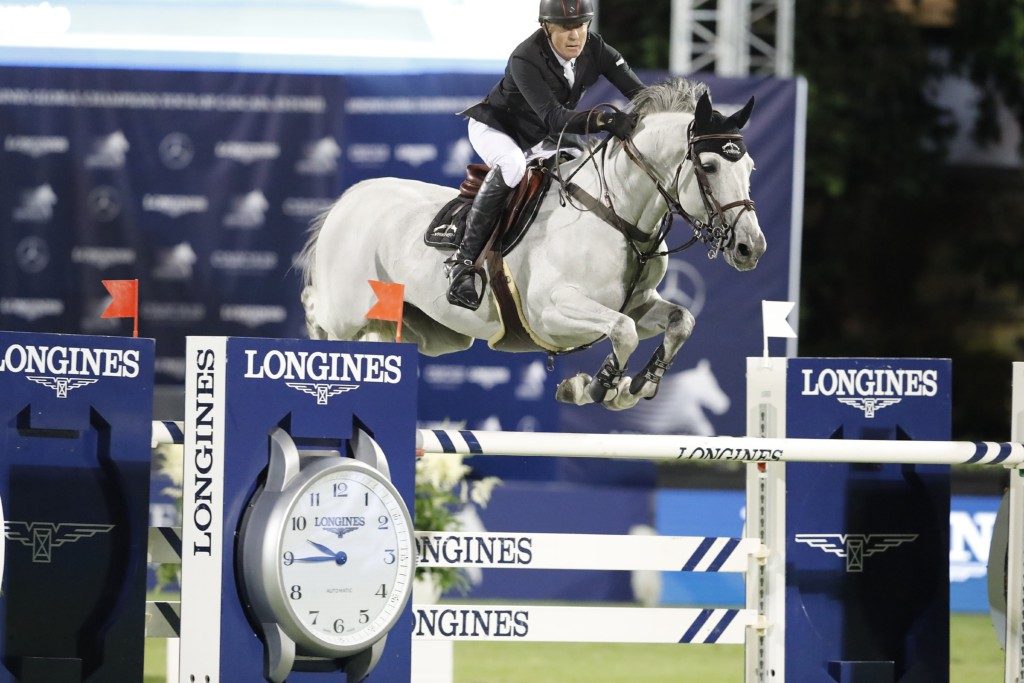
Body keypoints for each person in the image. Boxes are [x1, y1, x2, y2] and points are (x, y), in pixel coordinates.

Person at [445, 0, 645, 310]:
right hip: (499, 128)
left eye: (581, 25)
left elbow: (640, 93)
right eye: (565, 27)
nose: (575, 35)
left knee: (583, 166)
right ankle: (462, 262)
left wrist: (680, 114)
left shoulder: (596, 47)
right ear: (547, 27)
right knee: (512, 167)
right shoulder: (525, 58)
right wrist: (604, 120)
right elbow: (553, 117)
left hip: (544, 133)